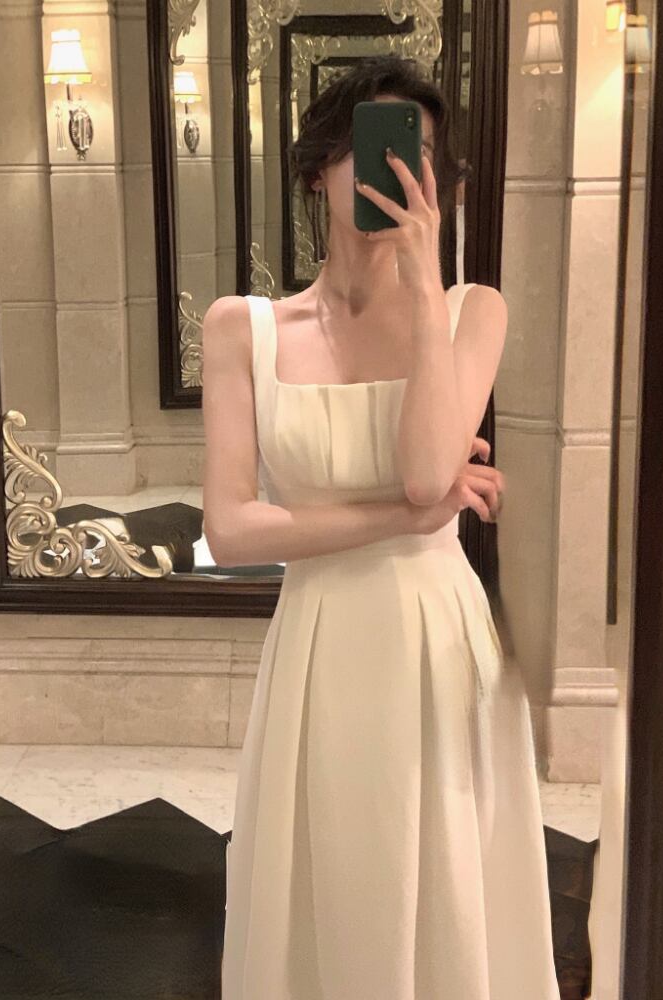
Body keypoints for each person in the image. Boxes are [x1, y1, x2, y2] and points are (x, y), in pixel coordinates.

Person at [203, 54, 560, 1000]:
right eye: (375, 147)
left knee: (441, 884)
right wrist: (407, 516)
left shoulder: (473, 312)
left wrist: (424, 281)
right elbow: (232, 531)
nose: (401, 171)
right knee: (329, 881)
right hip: (320, 641)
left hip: (434, 637)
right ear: (319, 168)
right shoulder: (243, 329)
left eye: (423, 154)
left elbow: (424, 470)